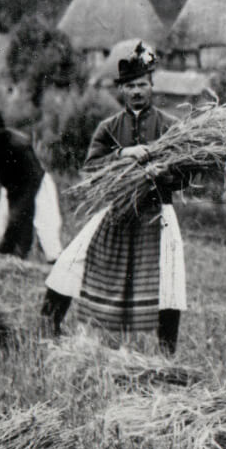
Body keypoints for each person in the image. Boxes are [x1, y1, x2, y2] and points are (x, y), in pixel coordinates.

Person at [41, 44, 188, 354]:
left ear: (152, 85)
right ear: (122, 89)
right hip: (117, 209)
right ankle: (47, 330)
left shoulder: (171, 128)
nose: (137, 91)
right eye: (131, 86)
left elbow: (185, 176)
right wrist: (123, 154)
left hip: (156, 209)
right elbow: (91, 168)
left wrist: (164, 173)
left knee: (170, 276)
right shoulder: (108, 129)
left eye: (142, 85)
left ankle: (166, 354)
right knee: (71, 260)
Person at [0, 111, 63, 261]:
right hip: (13, 188)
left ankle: (20, 256)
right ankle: (4, 256)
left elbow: (31, 180)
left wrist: (19, 206)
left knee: (44, 225)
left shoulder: (18, 143)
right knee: (4, 223)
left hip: (37, 185)